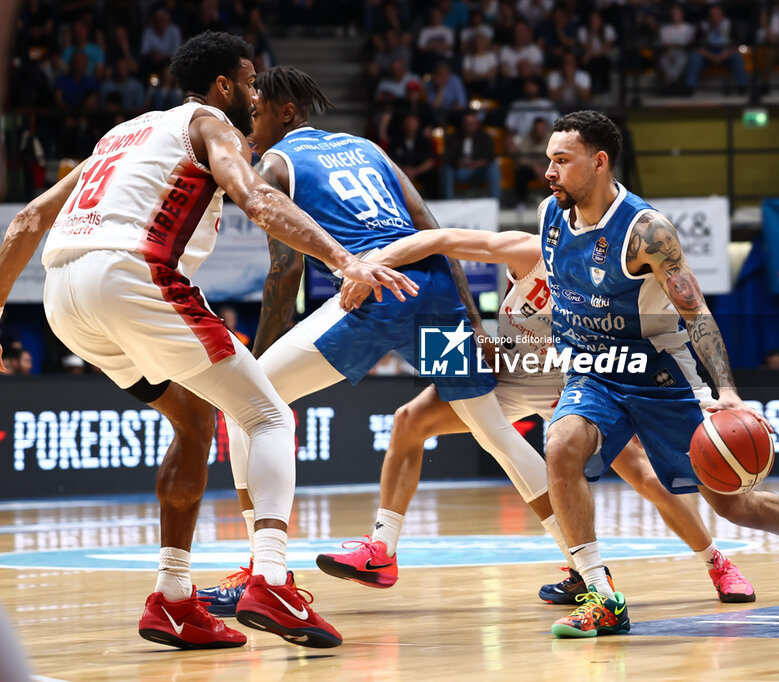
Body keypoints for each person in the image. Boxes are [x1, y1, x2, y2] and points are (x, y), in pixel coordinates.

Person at [0, 32, 417, 650]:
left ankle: (172, 600)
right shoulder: (212, 123)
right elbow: (256, 197)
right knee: (268, 415)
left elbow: (29, 220)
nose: (257, 95)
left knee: (195, 421)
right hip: (131, 275)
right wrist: (342, 260)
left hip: (63, 295)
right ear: (226, 85)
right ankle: (272, 580)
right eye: (251, 82)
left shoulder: (124, 134)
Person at [197, 66, 557, 617]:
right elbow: (428, 225)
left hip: (374, 293)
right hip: (432, 290)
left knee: (248, 401)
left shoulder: (275, 162)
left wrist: (257, 356)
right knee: (495, 434)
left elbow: (284, 274)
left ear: (286, 113)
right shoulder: (368, 148)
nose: (250, 121)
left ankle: (261, 570)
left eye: (259, 109)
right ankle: (586, 565)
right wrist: (471, 318)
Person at [537, 111, 779, 637]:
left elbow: (695, 313)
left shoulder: (647, 231)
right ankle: (601, 594)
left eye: (560, 160)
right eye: (548, 159)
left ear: (598, 163)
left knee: (732, 504)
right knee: (561, 446)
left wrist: (727, 391)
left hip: (660, 373)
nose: (548, 171)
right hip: (595, 372)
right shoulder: (551, 215)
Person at [322, 225, 757, 606]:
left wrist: (702, 393)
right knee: (407, 421)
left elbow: (665, 329)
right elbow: (441, 238)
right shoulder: (529, 252)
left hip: (573, 385)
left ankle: (715, 561)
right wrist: (369, 263)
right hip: (512, 374)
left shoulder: (604, 279)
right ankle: (381, 549)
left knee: (647, 477)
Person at [440, 110, 501, 200]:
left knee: (494, 168)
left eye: (473, 123)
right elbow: (448, 158)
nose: (470, 126)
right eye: (468, 123)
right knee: (446, 169)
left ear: (477, 124)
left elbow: (491, 157)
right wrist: (461, 164)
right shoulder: (453, 137)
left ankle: (495, 201)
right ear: (463, 124)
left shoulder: (485, 137)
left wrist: (476, 164)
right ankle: (449, 202)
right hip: (460, 171)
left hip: (479, 171)